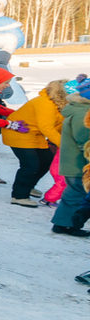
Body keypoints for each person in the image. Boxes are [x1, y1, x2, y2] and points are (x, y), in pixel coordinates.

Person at [4, 80, 67, 206]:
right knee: (30, 165)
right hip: (19, 132)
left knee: (46, 160)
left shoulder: (59, 104)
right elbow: (47, 127)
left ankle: (29, 185)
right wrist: (65, 145)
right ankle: (19, 196)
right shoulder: (45, 103)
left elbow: (59, 124)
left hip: (35, 134)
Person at [50, 80, 90, 237]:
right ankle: (67, 225)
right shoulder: (83, 112)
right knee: (76, 193)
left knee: (73, 192)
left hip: (72, 160)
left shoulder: (79, 108)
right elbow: (84, 139)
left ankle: (61, 224)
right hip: (77, 161)